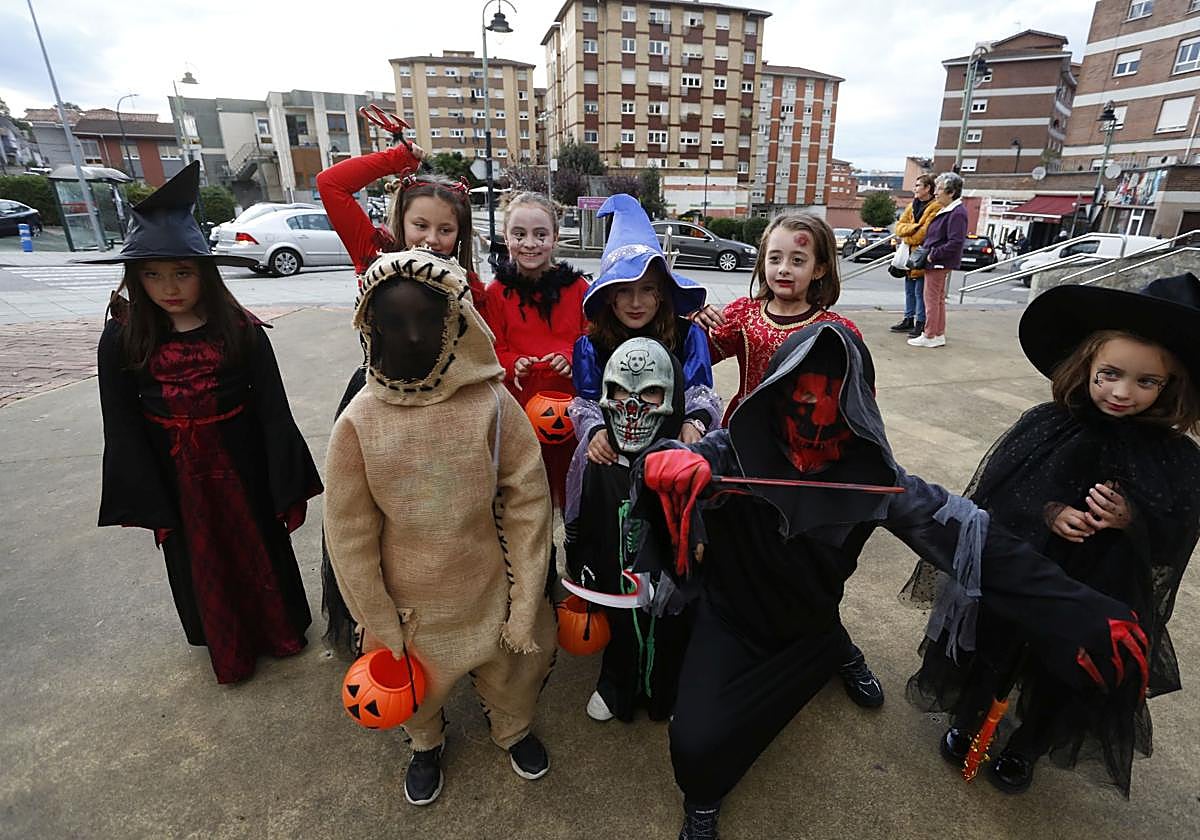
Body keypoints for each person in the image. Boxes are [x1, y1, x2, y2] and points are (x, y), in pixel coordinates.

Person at [620, 322, 1151, 838]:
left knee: (814, 627)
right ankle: (705, 797)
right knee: (694, 744)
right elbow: (669, 465)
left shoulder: (881, 483)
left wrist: (1080, 608)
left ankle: (835, 650)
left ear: (857, 410)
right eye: (802, 404)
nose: (814, 427)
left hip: (808, 621)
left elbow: (978, 544)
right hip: (731, 620)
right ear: (776, 397)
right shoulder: (730, 453)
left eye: (834, 409)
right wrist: (664, 467)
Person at [905, 275, 1200, 797]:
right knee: (997, 647)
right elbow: (996, 495)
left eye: (1146, 382)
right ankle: (972, 716)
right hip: (1027, 568)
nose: (1122, 392)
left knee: (1063, 669)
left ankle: (1028, 745)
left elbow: (1179, 530)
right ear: (1086, 365)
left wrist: (1132, 518)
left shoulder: (1173, 457)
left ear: (1171, 386)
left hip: (1100, 586)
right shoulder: (1050, 424)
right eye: (1109, 374)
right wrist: (1051, 510)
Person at [323, 248, 557, 807]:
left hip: (485, 580)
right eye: (391, 324)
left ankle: (512, 727)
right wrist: (377, 617)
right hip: (410, 600)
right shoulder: (359, 422)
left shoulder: (492, 404)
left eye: (424, 321)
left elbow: (527, 498)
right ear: (368, 328)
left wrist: (526, 596)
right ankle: (425, 740)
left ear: (456, 324)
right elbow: (348, 533)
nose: (408, 338)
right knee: (414, 686)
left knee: (513, 669)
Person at [95, 162, 322, 684]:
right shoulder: (124, 337)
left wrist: (285, 482)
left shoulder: (239, 330)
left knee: (258, 545)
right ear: (135, 276)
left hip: (240, 463)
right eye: (152, 274)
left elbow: (273, 411)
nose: (169, 287)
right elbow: (122, 424)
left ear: (206, 272)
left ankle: (277, 629)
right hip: (177, 474)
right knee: (199, 557)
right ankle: (228, 642)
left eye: (182, 273)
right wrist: (148, 496)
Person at [316, 138, 480, 650]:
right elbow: (330, 184)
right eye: (421, 225)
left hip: (445, 405)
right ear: (400, 221)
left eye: (445, 229)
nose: (432, 238)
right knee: (366, 515)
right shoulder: (373, 253)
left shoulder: (465, 280)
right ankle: (372, 622)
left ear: (460, 233)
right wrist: (397, 161)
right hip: (378, 400)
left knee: (433, 514)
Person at [568, 194, 722, 526]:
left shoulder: (687, 335)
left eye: (647, 289)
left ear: (662, 292)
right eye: (624, 289)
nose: (635, 302)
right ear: (609, 294)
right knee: (610, 533)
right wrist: (594, 431)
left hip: (672, 454)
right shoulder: (591, 346)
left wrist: (693, 423)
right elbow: (586, 402)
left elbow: (701, 392)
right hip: (613, 457)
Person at [564, 336, 694, 723]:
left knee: (672, 630)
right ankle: (617, 684)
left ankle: (669, 691)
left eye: (652, 393)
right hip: (615, 577)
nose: (633, 407)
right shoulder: (599, 460)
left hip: (670, 587)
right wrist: (581, 566)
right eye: (620, 392)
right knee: (621, 630)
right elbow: (580, 519)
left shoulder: (687, 465)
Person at [693, 213, 863, 424]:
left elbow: (858, 400)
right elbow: (694, 359)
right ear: (763, 262)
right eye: (775, 258)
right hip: (746, 431)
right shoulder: (743, 316)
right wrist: (695, 321)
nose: (783, 269)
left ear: (819, 270)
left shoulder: (835, 332)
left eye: (797, 261)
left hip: (806, 438)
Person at [479, 191, 590, 508]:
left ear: (555, 237)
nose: (530, 243)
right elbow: (492, 349)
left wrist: (570, 357)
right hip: (519, 409)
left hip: (569, 408)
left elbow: (590, 340)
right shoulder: (496, 293)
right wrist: (515, 363)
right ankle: (539, 554)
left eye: (540, 234)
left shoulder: (578, 288)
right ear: (506, 236)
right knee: (526, 496)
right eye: (519, 234)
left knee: (572, 490)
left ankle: (574, 543)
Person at [908, 172, 967, 350]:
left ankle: (930, 334)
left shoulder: (956, 213)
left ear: (951, 192)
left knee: (931, 298)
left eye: (940, 189)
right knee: (938, 298)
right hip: (939, 261)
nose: (936, 192)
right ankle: (937, 333)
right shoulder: (951, 210)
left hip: (938, 261)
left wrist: (933, 254)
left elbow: (956, 241)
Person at [890, 174, 943, 338]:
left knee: (920, 291)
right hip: (908, 255)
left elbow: (923, 233)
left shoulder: (935, 207)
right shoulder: (913, 205)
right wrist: (910, 230)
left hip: (922, 255)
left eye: (918, 185)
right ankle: (908, 318)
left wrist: (908, 234)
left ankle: (920, 322)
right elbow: (899, 227)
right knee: (909, 290)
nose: (915, 188)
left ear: (928, 188)